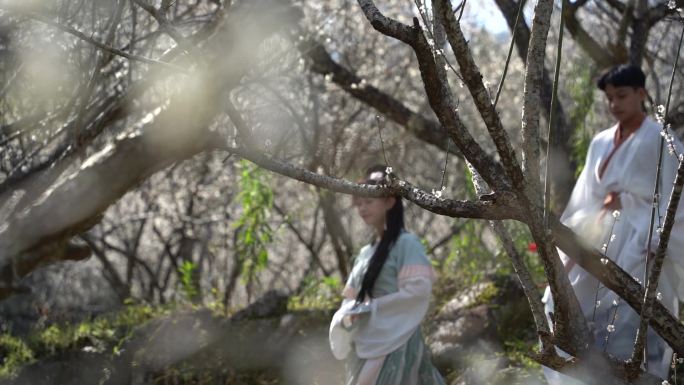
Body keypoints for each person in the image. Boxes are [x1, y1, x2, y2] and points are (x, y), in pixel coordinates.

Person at [542, 64, 684, 384]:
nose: (614, 104)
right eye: (609, 98)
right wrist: (567, 242)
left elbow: (676, 197)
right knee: (568, 300)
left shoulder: (660, 139)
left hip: (641, 239)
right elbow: (586, 197)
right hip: (600, 231)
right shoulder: (601, 141)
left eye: (621, 95)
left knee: (629, 320)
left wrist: (651, 232)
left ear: (641, 94)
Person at [329, 165, 446, 385]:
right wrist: (349, 314)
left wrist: (373, 307)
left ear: (390, 202)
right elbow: (351, 299)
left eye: (369, 202)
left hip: (397, 339)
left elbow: (417, 292)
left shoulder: (407, 244)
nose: (362, 209)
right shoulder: (366, 252)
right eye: (359, 204)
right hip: (366, 340)